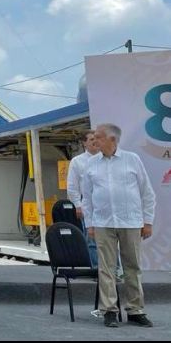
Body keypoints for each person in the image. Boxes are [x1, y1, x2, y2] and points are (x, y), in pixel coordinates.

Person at [82, 123, 156, 329]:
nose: (94, 140)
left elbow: (147, 193)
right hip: (103, 223)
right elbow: (86, 198)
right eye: (93, 137)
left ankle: (135, 310)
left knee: (132, 267)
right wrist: (90, 224)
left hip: (131, 221)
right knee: (106, 268)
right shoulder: (91, 164)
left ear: (112, 139)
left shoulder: (132, 160)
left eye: (98, 137)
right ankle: (109, 311)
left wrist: (147, 221)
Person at [66, 130, 100, 266]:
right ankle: (96, 268)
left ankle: (115, 270)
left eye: (96, 139)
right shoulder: (77, 162)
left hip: (106, 206)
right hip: (88, 206)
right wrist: (78, 205)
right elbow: (72, 186)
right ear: (84, 143)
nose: (95, 142)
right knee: (92, 239)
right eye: (91, 139)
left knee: (110, 240)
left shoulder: (106, 158)